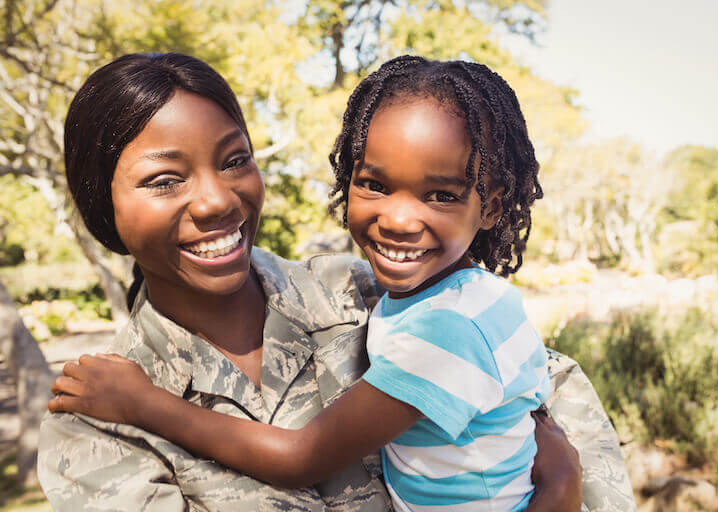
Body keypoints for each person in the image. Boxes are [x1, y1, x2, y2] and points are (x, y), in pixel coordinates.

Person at [39, 53, 636, 512]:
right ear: (102, 206)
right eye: (165, 180)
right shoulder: (97, 420)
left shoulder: (370, 292)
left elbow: (549, 396)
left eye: (233, 160)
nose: (218, 200)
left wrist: (566, 487)